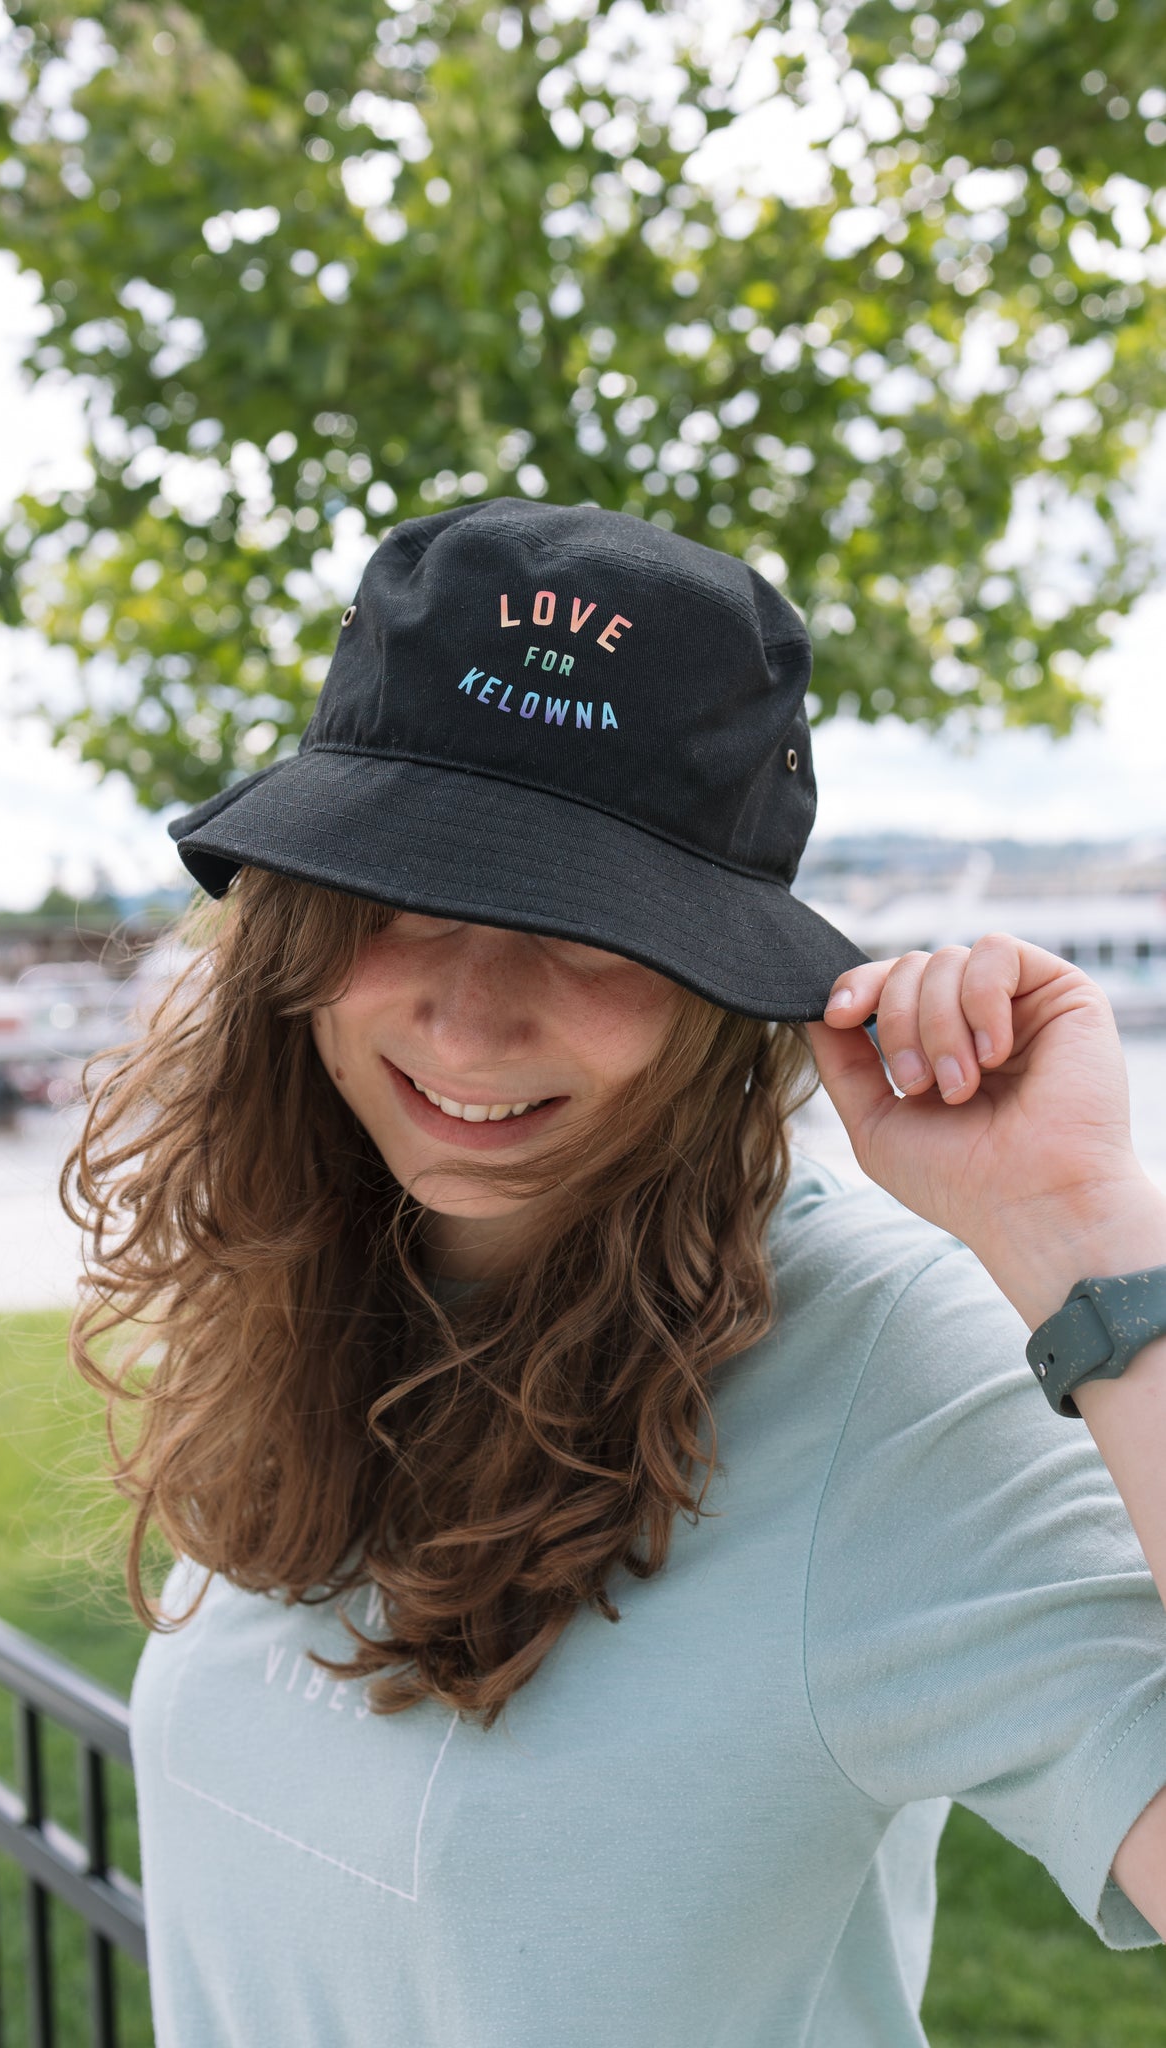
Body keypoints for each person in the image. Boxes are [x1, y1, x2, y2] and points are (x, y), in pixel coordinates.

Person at [62, 499, 1166, 2047]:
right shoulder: (327, 1263)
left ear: (722, 991)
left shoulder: (877, 1378)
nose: (469, 1017)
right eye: (402, 897)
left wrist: (1081, 1240)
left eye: (590, 934)